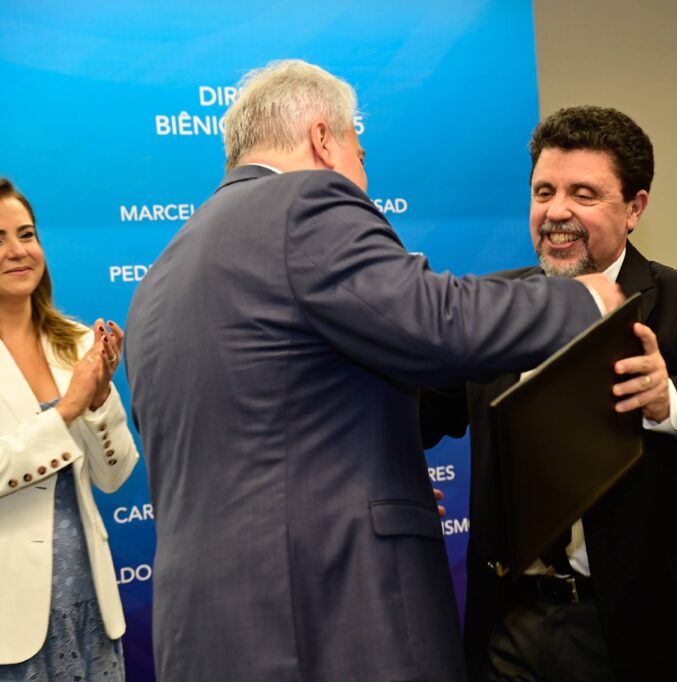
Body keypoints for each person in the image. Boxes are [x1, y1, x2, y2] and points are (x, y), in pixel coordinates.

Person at [124, 59, 622, 682]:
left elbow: (259, 440)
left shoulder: (160, 277)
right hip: (329, 620)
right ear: (322, 139)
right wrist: (584, 301)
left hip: (211, 632)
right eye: (360, 153)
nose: (363, 175)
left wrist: (370, 484)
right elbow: (434, 320)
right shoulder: (305, 200)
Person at [420, 106, 677, 681]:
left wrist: (666, 398)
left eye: (583, 194)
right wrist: (385, 486)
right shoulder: (491, 305)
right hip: (514, 625)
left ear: (634, 208)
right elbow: (414, 414)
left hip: (653, 625)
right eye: (544, 192)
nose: (556, 212)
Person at [0, 179, 139, 680]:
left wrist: (98, 401)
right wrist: (67, 410)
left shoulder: (76, 343)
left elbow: (114, 478)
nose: (17, 251)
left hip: (92, 606)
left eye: (26, 234)